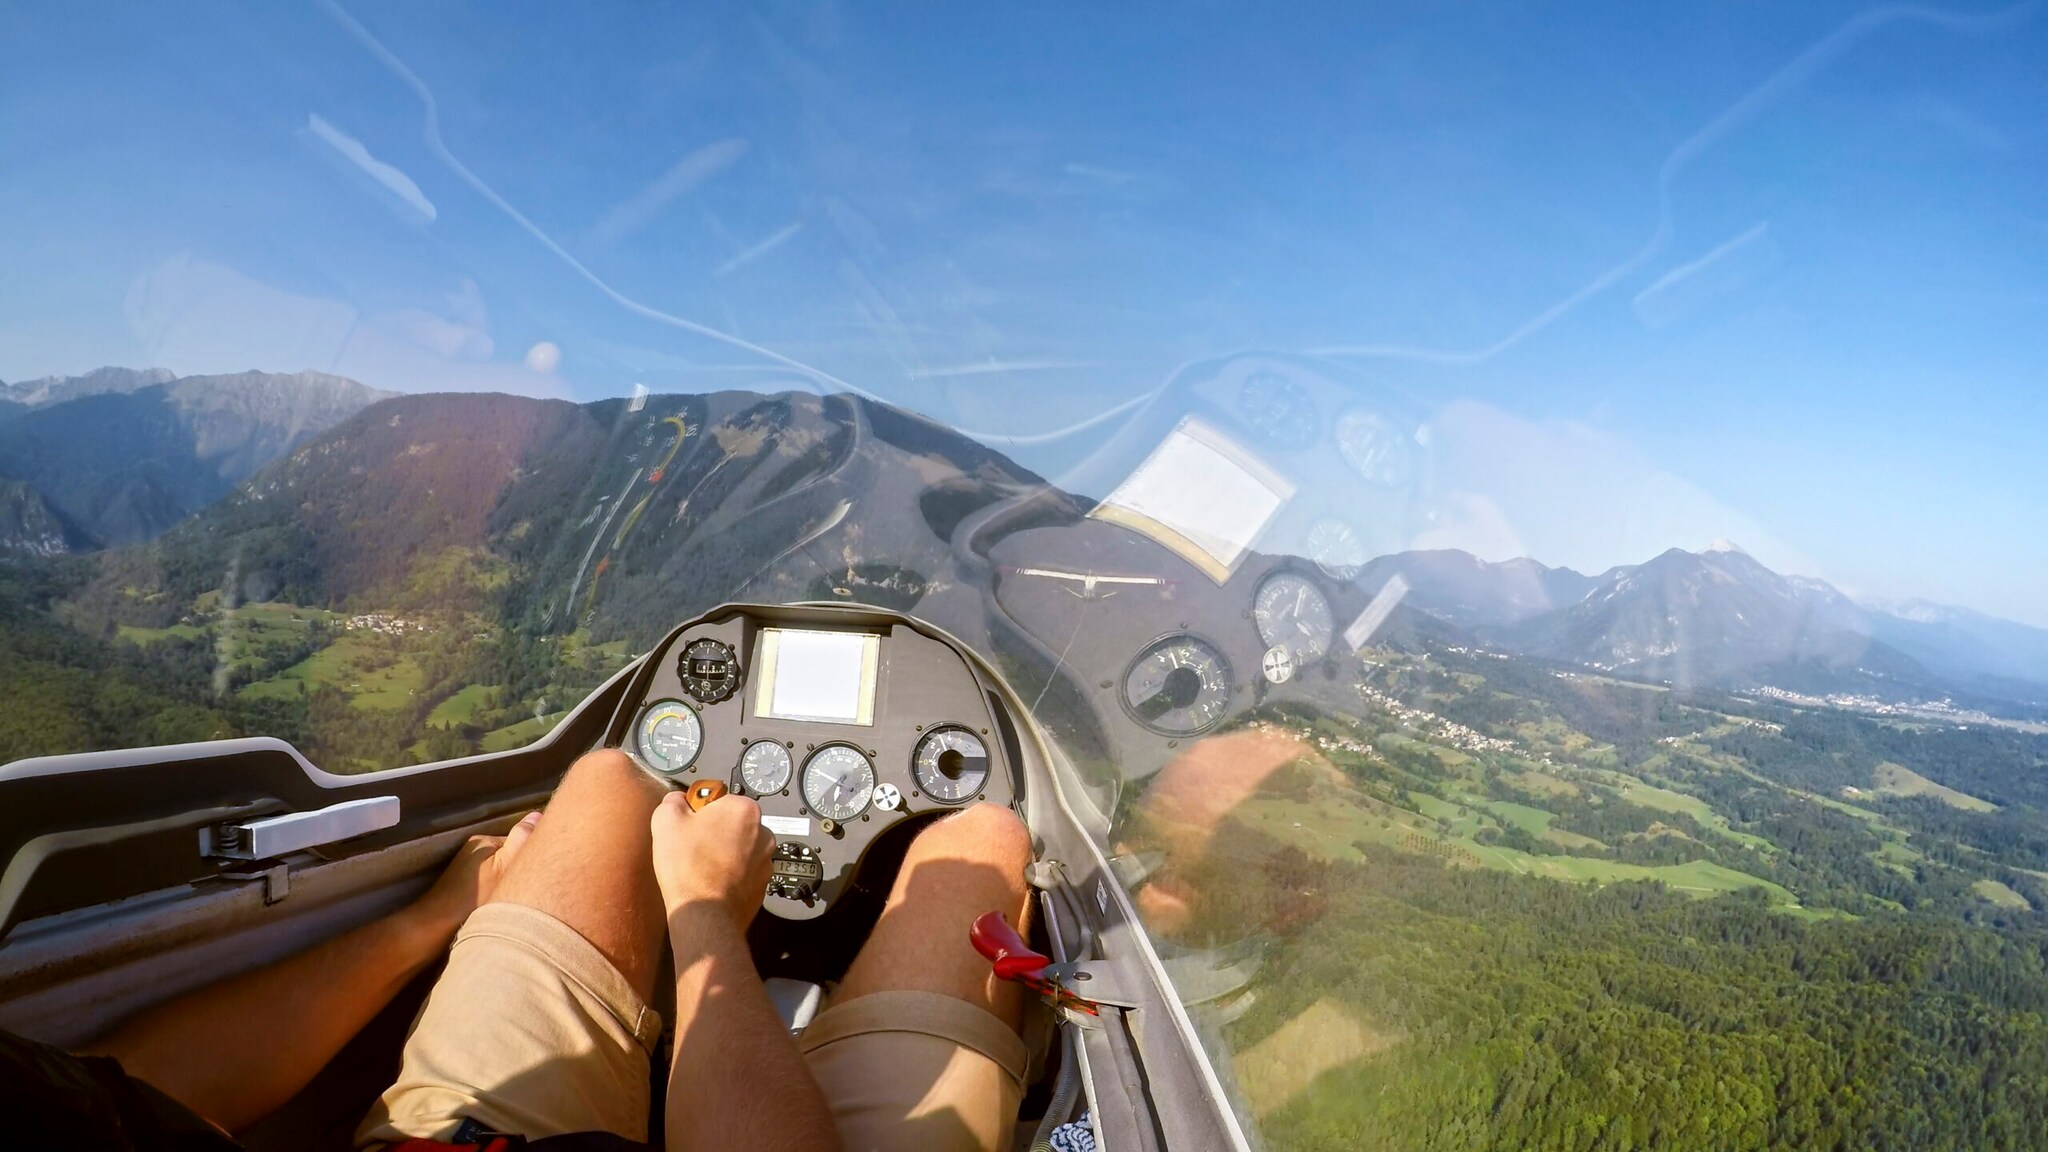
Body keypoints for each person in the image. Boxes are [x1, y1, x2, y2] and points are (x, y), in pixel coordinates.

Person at [5, 749, 1037, 1152]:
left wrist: (426, 922)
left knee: (607, 785)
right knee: (977, 840)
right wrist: (702, 914)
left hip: (459, 1147)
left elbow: (131, 1091)